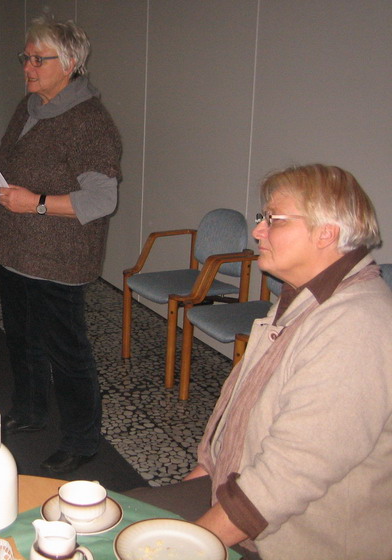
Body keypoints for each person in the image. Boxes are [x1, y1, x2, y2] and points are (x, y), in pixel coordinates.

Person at [127, 164, 392, 560]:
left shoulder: (356, 327)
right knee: (110, 516)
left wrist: (187, 544)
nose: (258, 231)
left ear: (327, 232)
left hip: (292, 538)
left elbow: (286, 480)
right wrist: (201, 475)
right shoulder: (304, 299)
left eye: (275, 220)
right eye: (262, 218)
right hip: (240, 494)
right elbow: (241, 410)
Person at [0, 15, 121, 475]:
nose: (27, 66)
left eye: (37, 59)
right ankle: (30, 410)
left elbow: (102, 200)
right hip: (16, 247)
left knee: (67, 351)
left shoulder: (90, 122)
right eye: (25, 57)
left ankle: (82, 439)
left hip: (59, 256)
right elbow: (10, 163)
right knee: (22, 339)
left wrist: (36, 203)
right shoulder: (28, 108)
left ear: (69, 63)